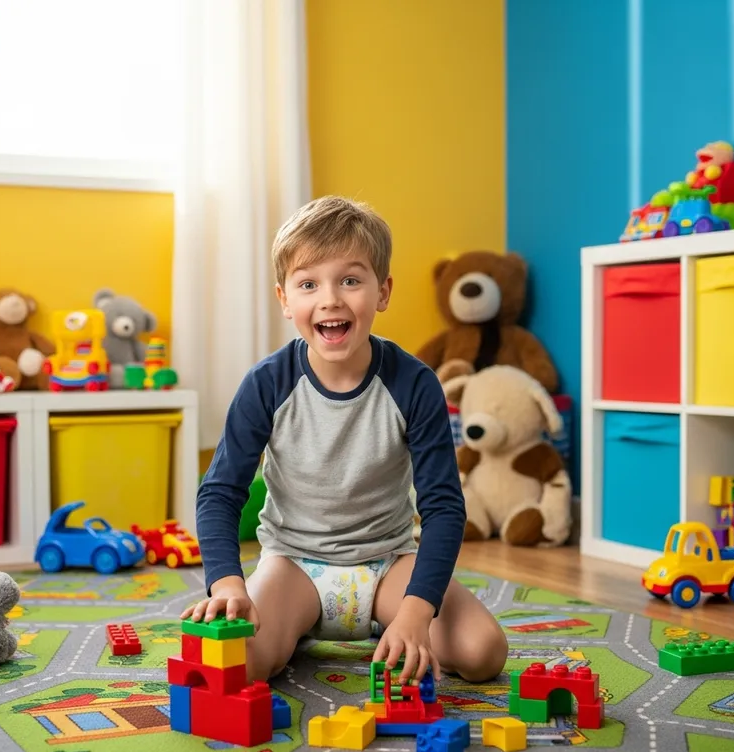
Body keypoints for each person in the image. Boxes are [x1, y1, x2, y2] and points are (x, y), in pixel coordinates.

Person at [181, 195, 508, 686]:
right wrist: (228, 582)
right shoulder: (267, 383)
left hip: (390, 563)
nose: (330, 299)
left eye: (350, 280)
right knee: (233, 668)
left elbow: (443, 507)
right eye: (309, 284)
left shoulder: (415, 383)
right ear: (285, 300)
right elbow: (220, 492)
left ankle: (388, 626)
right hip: (293, 565)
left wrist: (417, 613)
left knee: (484, 653)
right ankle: (297, 625)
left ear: (383, 291)